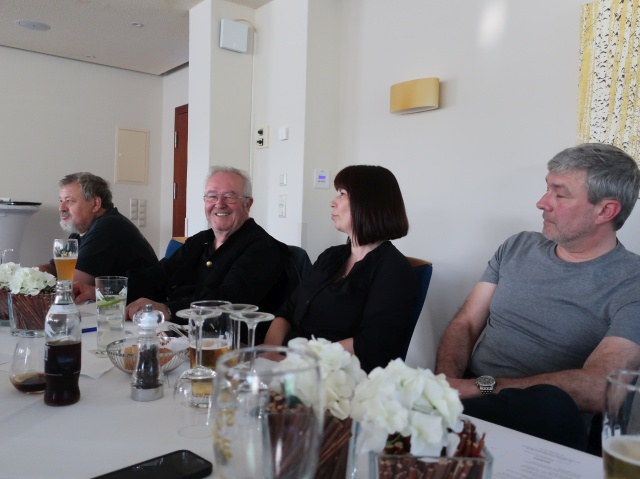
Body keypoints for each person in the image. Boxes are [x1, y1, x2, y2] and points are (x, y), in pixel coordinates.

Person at [435, 143, 640, 452]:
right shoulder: (518, 246)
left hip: (540, 417)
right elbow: (466, 322)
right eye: (547, 189)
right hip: (468, 393)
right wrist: (444, 386)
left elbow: (600, 387)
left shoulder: (632, 281)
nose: (542, 203)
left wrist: (477, 388)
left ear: (605, 211)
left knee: (550, 405)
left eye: (560, 194)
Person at [263, 165, 419, 373]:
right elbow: (288, 310)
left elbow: (371, 343)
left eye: (342, 194)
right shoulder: (331, 256)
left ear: (367, 203)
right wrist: (268, 352)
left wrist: (298, 360)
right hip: (289, 363)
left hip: (335, 373)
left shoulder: (393, 271)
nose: (332, 202)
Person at [124, 166, 290, 325]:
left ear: (248, 204)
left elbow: (230, 301)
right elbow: (159, 275)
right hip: (175, 331)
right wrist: (115, 291)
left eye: (229, 196)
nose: (219, 203)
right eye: (212, 196)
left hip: (226, 338)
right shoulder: (200, 241)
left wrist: (167, 309)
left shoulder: (263, 248)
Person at [39, 172, 157, 288]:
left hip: (141, 300)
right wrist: (36, 273)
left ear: (95, 204)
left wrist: (38, 282)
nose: (61, 208)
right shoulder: (79, 232)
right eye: (61, 201)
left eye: (69, 201)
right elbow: (57, 269)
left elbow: (72, 285)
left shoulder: (108, 227)